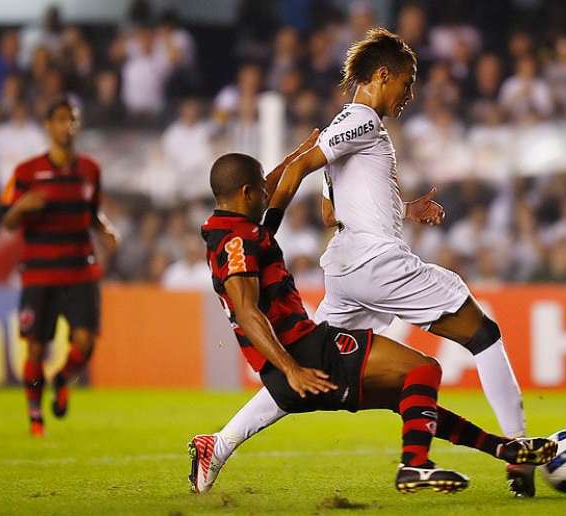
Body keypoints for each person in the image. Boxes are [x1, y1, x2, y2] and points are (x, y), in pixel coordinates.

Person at [214, 28, 539, 497]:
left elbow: (331, 213)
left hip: (347, 271)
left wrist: (405, 211)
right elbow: (298, 168)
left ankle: (218, 445)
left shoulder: (349, 131)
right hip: (375, 265)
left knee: (312, 367)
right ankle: (520, 451)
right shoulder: (360, 120)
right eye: (406, 82)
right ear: (382, 75)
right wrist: (266, 235)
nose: (409, 94)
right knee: (482, 333)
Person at [188, 148, 557, 494]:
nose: (269, 194)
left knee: (409, 397)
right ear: (246, 193)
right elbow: (247, 312)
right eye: (261, 191)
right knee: (423, 370)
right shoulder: (237, 241)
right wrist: (290, 369)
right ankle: (415, 465)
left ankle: (504, 451)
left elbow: (277, 188)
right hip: (304, 354)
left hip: (297, 357)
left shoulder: (241, 228)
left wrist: (303, 152)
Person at [0, 98, 118, 436]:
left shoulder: (90, 169)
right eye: (61, 119)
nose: (67, 125)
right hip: (39, 273)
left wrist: (106, 228)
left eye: (73, 120)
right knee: (36, 346)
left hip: (81, 269)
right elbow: (8, 221)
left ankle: (63, 377)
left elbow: (92, 212)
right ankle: (35, 413)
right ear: (49, 126)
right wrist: (23, 205)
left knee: (85, 342)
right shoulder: (26, 172)